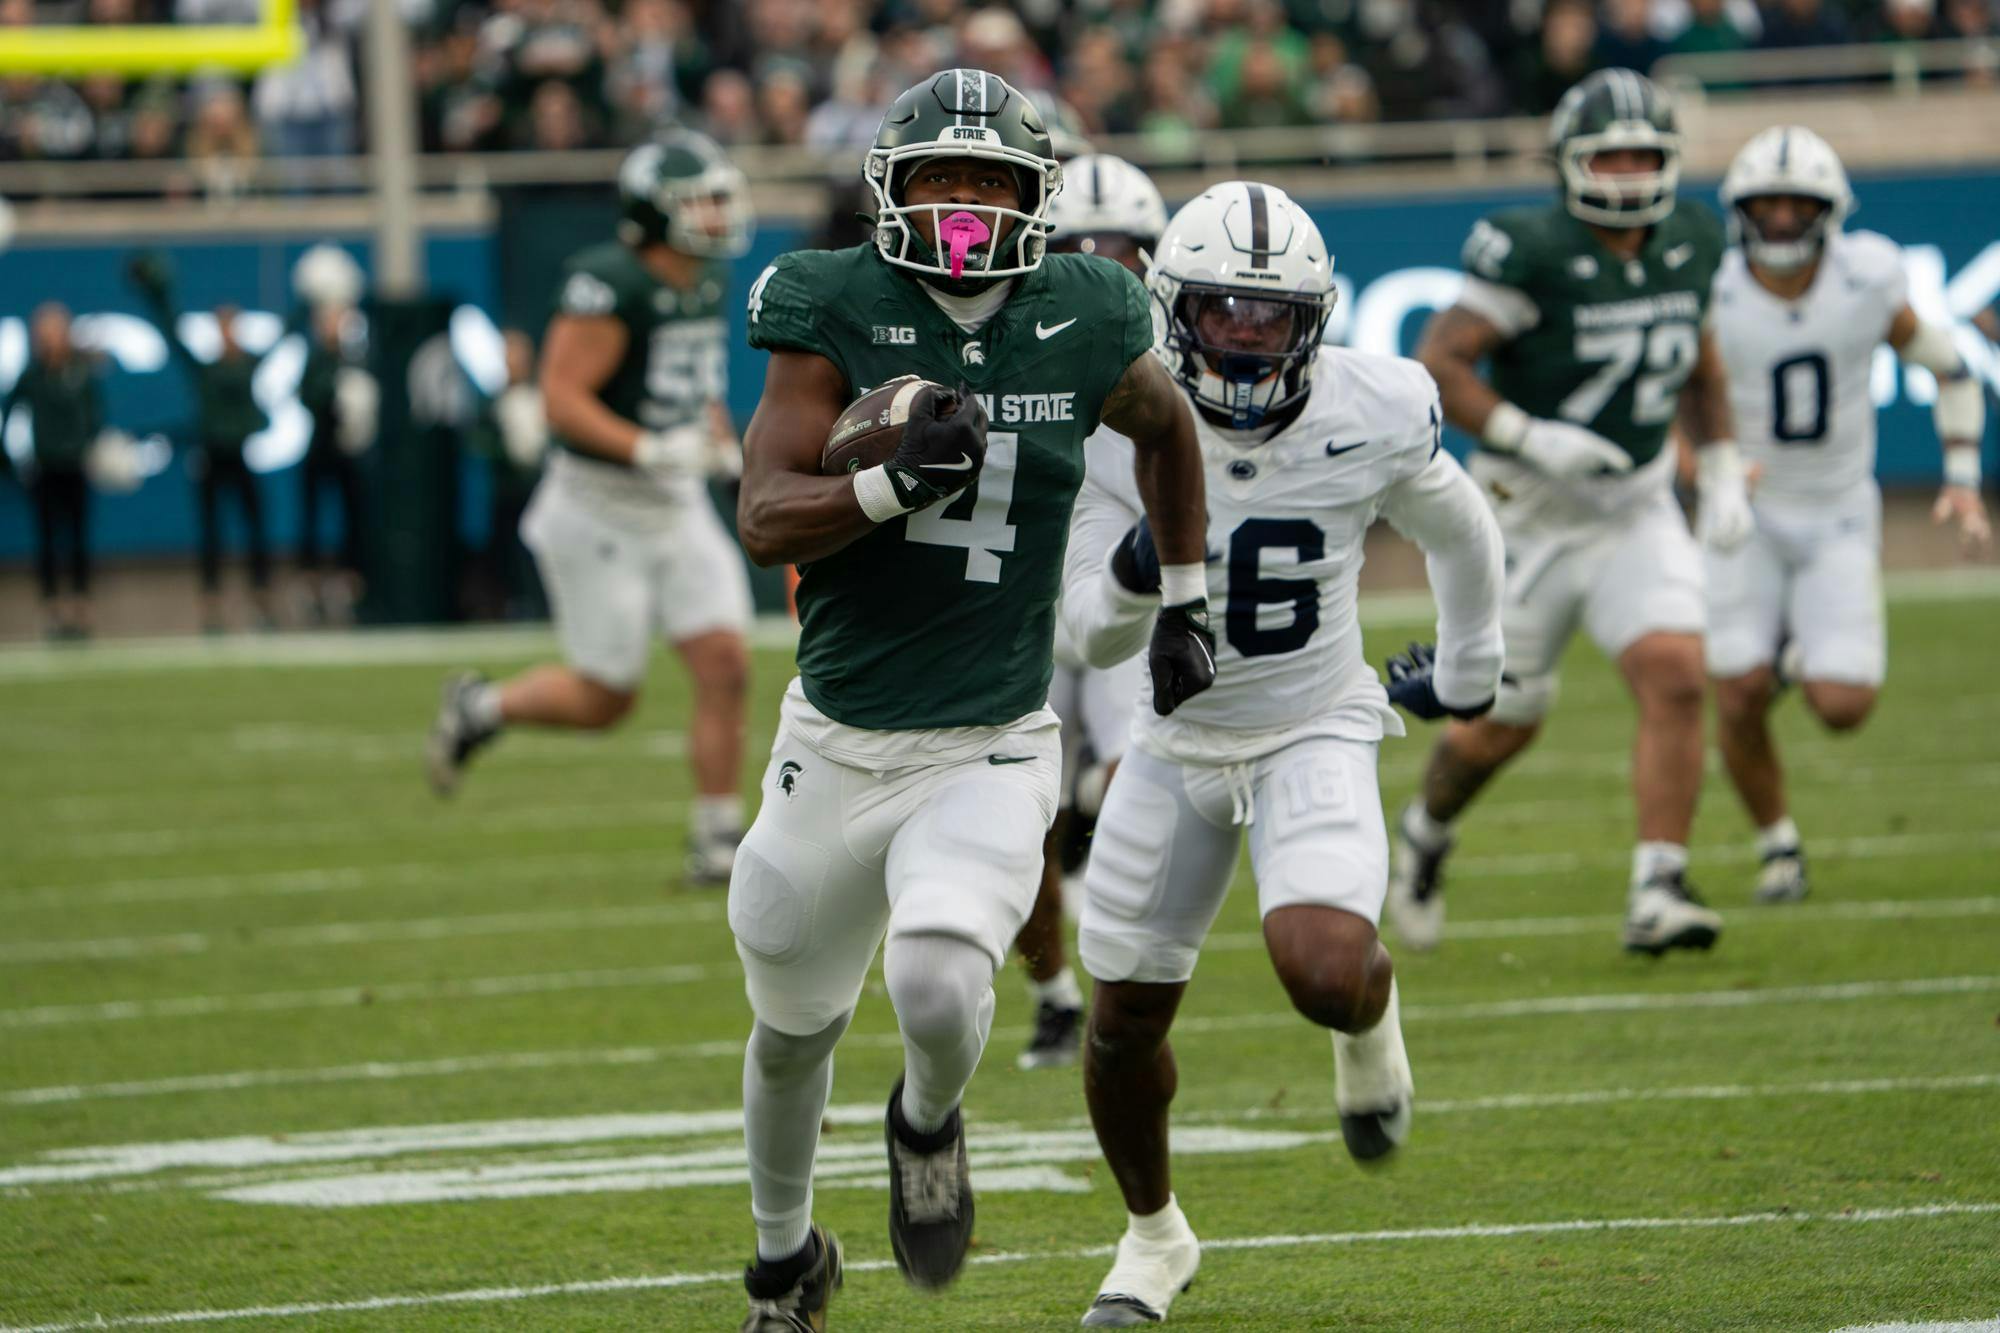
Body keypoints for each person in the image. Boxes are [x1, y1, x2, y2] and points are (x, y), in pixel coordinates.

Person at [727, 69, 1214, 1331]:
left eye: (984, 182)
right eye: (935, 180)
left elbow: (1166, 429)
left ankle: (925, 1120)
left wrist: (1184, 596)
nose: (959, 208)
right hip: (834, 736)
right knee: (790, 1025)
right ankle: (784, 1260)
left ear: (1032, 196)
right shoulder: (830, 302)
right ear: (887, 191)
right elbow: (763, 514)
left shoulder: (1088, 309)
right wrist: (891, 485)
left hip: (989, 739)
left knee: (939, 982)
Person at [1061, 180, 1506, 1327]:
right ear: (1170, 308)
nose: (1247, 337)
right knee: (1118, 1027)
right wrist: (1143, 567)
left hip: (1311, 721)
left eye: (1272, 315)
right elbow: (1083, 635)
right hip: (1172, 740)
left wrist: (1472, 667)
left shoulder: (1372, 404)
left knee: (1321, 969)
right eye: (1222, 310)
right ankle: (1153, 1236)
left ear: (1314, 318)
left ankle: (1369, 1022)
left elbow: (1459, 527)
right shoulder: (1114, 419)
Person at [1391, 68, 1753, 957]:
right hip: (1526, 512)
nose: (1628, 175)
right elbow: (1438, 361)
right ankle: (1426, 831)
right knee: (1495, 729)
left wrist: (1719, 465)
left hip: (1634, 505)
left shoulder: (1695, 237)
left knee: (1676, 670)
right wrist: (1528, 434)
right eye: (1609, 157)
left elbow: (1701, 367)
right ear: (1567, 162)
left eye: (1643, 156)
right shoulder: (1531, 248)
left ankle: (1659, 885)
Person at [426, 130, 757, 886]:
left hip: (674, 501)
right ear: (652, 211)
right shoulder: (607, 281)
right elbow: (562, 399)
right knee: (607, 698)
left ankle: (717, 837)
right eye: (698, 202)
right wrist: (647, 447)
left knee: (726, 662)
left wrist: (718, 444)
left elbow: (692, 382)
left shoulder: (705, 278)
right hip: (598, 504)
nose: (714, 215)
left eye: (717, 199)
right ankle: (481, 708)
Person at [1704, 126, 1991, 902]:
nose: (1783, 219)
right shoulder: (1710, 288)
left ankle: (1794, 655)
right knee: (1736, 690)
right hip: (1745, 514)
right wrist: (1710, 470)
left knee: (1844, 704)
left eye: (1799, 204)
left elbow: (1951, 367)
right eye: (1768, 204)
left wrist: (1962, 475)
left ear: (1830, 211)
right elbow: (1672, 403)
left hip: (1837, 509)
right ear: (1740, 210)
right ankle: (1778, 847)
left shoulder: (1867, 278)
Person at [1012, 151, 1168, 1072]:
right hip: (1024, 601)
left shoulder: (1173, 354)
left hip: (1120, 601)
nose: (1104, 269)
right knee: (1014, 828)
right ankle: (1054, 994)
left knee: (1136, 775)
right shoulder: (998, 336)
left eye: (1122, 250)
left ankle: (1115, 971)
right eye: (1081, 249)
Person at [128, 254, 280, 633]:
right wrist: (157, 293)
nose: (227, 332)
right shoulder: (206, 369)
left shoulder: (248, 365)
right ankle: (212, 605)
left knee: (255, 528)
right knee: (212, 534)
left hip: (239, 456)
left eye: (232, 325)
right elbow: (172, 331)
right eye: (222, 325)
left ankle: (261, 600)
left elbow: (290, 333)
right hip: (211, 458)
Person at [1, 302, 103, 640]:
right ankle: (52, 609)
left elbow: (96, 413)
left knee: (77, 538)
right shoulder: (33, 375)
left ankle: (81, 606)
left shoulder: (79, 372)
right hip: (44, 467)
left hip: (75, 465)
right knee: (47, 539)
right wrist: (8, 458)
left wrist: (88, 445)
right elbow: (10, 410)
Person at [296, 301, 369, 624]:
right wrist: (332, 394)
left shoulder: (355, 359)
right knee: (312, 518)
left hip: (347, 450)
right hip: (321, 447)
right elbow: (307, 394)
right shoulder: (317, 360)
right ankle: (312, 587)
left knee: (352, 519)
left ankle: (350, 587)